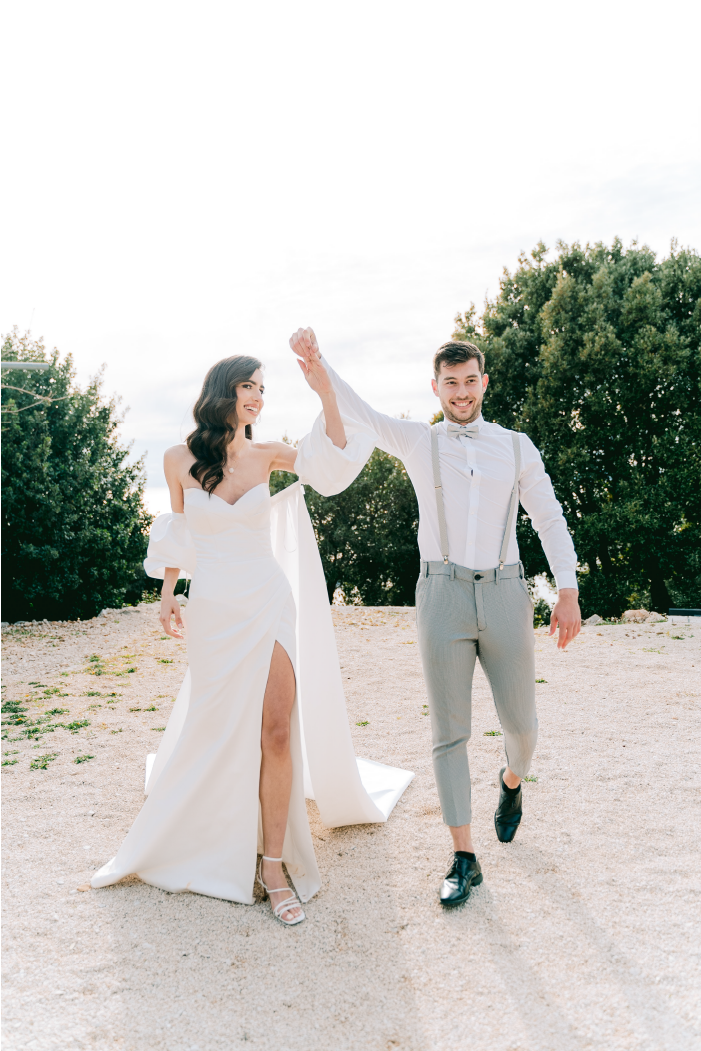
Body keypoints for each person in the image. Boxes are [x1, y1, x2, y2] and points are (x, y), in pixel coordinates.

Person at [91, 353, 413, 925]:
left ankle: (271, 864)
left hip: (267, 599)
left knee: (277, 728)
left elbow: (330, 462)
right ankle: (214, 831)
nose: (258, 398)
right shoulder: (177, 459)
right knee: (218, 727)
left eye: (263, 389)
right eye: (248, 386)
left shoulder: (268, 454)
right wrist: (168, 591)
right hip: (214, 607)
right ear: (223, 391)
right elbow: (180, 531)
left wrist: (326, 393)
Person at [289, 328, 581, 907]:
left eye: (470, 380)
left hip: (504, 592)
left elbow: (548, 516)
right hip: (442, 593)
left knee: (522, 728)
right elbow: (365, 415)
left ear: (483, 383)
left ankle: (511, 781)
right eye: (451, 383)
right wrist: (321, 368)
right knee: (450, 731)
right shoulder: (422, 443)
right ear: (436, 387)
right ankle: (463, 857)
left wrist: (567, 589)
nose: (462, 391)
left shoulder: (517, 446)